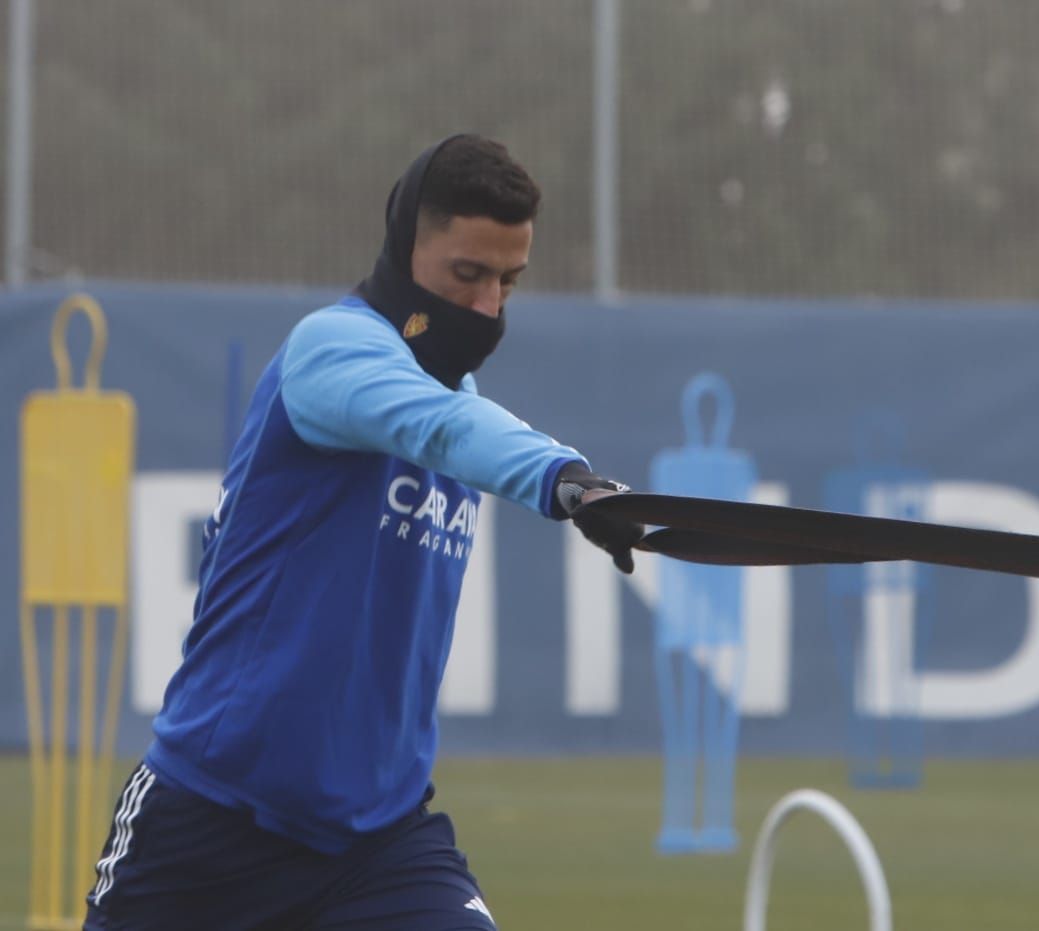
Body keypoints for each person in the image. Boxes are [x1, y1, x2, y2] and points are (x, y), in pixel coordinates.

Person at [83, 135, 643, 930]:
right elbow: (439, 423)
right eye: (467, 274)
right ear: (405, 245)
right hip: (208, 829)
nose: (488, 307)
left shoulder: (463, 398)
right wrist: (562, 479)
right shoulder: (331, 350)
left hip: (380, 847)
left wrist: (569, 477)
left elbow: (459, 417)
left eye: (508, 282)